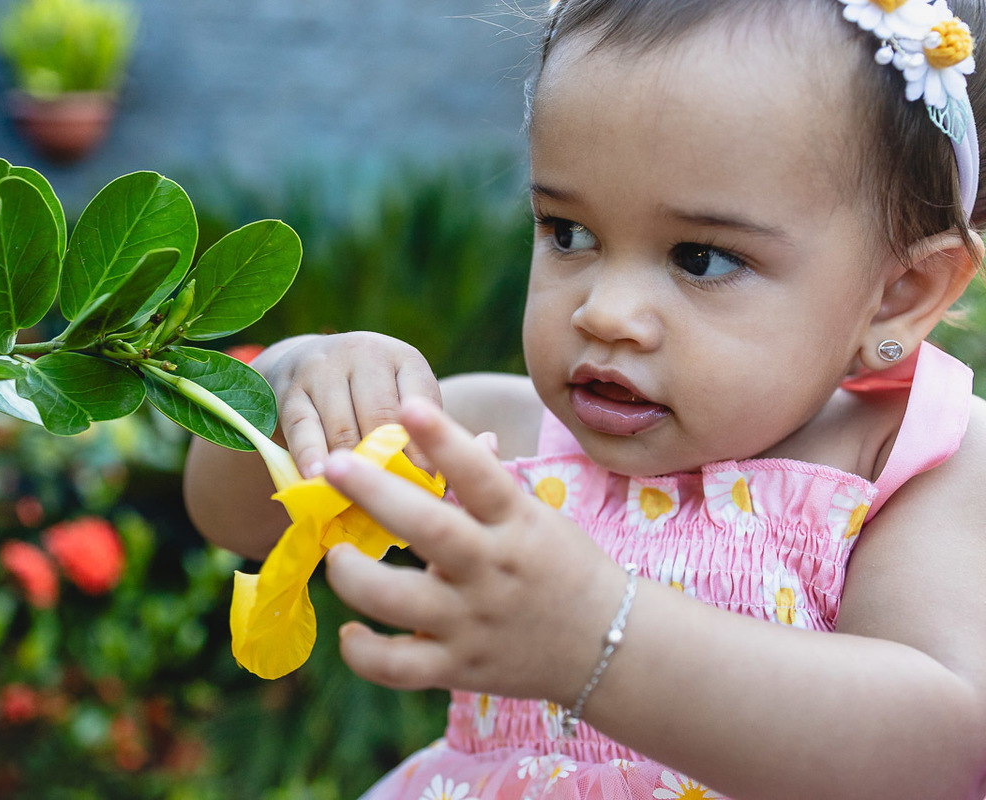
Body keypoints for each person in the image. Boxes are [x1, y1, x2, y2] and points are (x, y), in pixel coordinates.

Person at [185, 0, 986, 796]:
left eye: (701, 258)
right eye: (569, 232)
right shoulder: (502, 437)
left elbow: (938, 755)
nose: (603, 311)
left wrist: (598, 635)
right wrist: (295, 385)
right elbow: (233, 517)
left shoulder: (912, 469)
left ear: (898, 295)